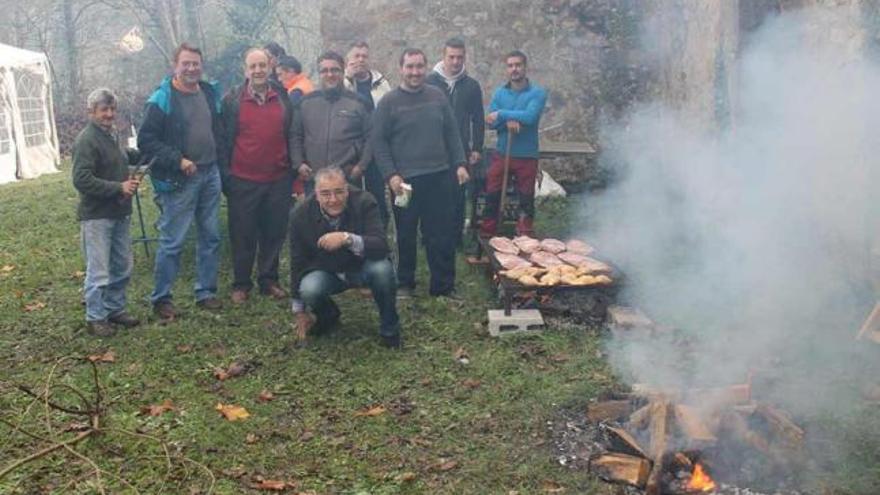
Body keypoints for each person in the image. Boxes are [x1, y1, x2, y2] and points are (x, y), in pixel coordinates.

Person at [372, 47, 469, 298]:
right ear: (401, 69)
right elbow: (379, 142)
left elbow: (452, 133)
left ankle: (443, 286)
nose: (415, 72)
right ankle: (405, 283)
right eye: (410, 67)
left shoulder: (437, 96)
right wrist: (390, 175)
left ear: (426, 68)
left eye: (419, 66)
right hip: (404, 183)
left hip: (439, 177)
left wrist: (460, 163)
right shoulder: (388, 103)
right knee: (405, 234)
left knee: (441, 234)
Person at [139, 42, 224, 321]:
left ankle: (206, 292)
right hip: (180, 180)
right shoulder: (162, 98)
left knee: (210, 237)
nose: (191, 68)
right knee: (173, 241)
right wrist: (178, 160)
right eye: (185, 63)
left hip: (210, 173)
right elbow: (146, 141)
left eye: (195, 63)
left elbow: (218, 128)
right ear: (175, 65)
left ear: (202, 66)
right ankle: (162, 299)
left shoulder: (209, 92)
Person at [289, 166, 401, 348]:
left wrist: (347, 238)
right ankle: (329, 317)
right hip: (327, 271)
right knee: (309, 288)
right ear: (315, 194)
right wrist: (299, 310)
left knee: (382, 270)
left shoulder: (366, 201)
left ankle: (390, 330)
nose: (333, 200)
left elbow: (381, 245)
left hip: (363, 267)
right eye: (325, 194)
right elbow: (297, 260)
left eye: (339, 192)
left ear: (347, 190)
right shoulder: (300, 215)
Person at [219, 47, 295, 304]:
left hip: (278, 178)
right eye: (253, 66)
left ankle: (269, 280)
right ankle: (241, 283)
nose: (258, 71)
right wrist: (226, 176)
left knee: (274, 232)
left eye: (262, 65)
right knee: (242, 234)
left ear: (270, 66)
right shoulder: (232, 100)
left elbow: (290, 133)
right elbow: (223, 140)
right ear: (245, 70)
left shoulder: (282, 96)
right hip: (243, 178)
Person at [72, 88, 141, 337]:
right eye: (104, 110)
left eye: (112, 109)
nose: (109, 114)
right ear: (91, 112)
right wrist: (118, 187)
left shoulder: (113, 135)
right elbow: (81, 179)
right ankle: (95, 317)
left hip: (120, 211)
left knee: (122, 265)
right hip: (97, 216)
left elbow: (121, 159)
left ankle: (115, 309)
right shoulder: (86, 140)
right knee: (99, 270)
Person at [480, 50, 548, 238]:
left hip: (526, 155)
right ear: (506, 69)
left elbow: (530, 117)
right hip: (503, 153)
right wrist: (508, 121)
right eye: (510, 66)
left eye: (518, 65)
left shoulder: (538, 93)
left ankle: (525, 236)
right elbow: (490, 121)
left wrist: (503, 114)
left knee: (525, 197)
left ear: (525, 68)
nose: (514, 69)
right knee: (492, 192)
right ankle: (488, 233)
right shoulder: (500, 93)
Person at [426, 37, 485, 247]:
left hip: (460, 151)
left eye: (459, 57)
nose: (455, 61)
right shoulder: (429, 83)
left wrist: (477, 147)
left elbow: (478, 118)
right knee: (432, 195)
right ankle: (429, 237)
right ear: (443, 57)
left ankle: (455, 238)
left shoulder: (471, 86)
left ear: (464, 58)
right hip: (432, 150)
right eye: (451, 57)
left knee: (458, 196)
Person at [291, 51, 372, 195]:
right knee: (315, 217)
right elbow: (295, 135)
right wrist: (299, 164)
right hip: (314, 179)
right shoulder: (305, 103)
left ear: (343, 71)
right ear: (319, 74)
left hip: (348, 178)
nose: (330, 74)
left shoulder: (359, 102)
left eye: (335, 70)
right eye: (324, 71)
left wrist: (361, 166)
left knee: (350, 217)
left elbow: (371, 137)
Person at [344, 41, 393, 226]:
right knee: (352, 192)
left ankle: (379, 227)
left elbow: (389, 109)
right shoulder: (343, 82)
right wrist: (348, 78)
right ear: (349, 59)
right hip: (351, 147)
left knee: (376, 191)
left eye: (364, 56)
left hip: (376, 146)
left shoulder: (380, 83)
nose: (361, 60)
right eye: (356, 56)